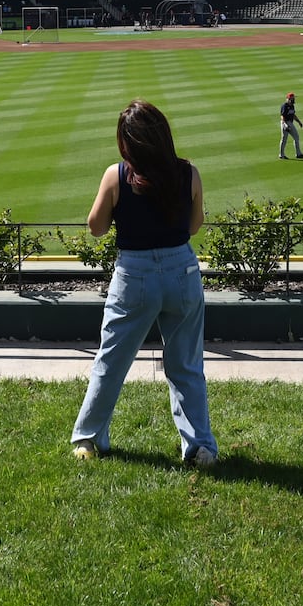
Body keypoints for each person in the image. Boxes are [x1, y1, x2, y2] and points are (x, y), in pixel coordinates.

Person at [71, 100, 217, 467]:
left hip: (133, 276)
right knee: (186, 365)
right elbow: (193, 227)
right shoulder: (190, 173)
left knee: (111, 361)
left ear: (128, 143)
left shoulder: (116, 175)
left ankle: (88, 440)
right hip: (182, 272)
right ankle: (200, 447)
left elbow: (96, 227)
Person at [278, 91, 303, 159]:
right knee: (284, 139)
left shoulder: (292, 106)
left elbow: (293, 115)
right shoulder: (284, 106)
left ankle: (298, 153)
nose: (294, 100)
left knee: (296, 137)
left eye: (294, 98)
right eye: (292, 99)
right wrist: (284, 124)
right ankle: (281, 155)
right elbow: (282, 116)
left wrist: (299, 122)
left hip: (290, 123)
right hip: (285, 123)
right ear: (288, 99)